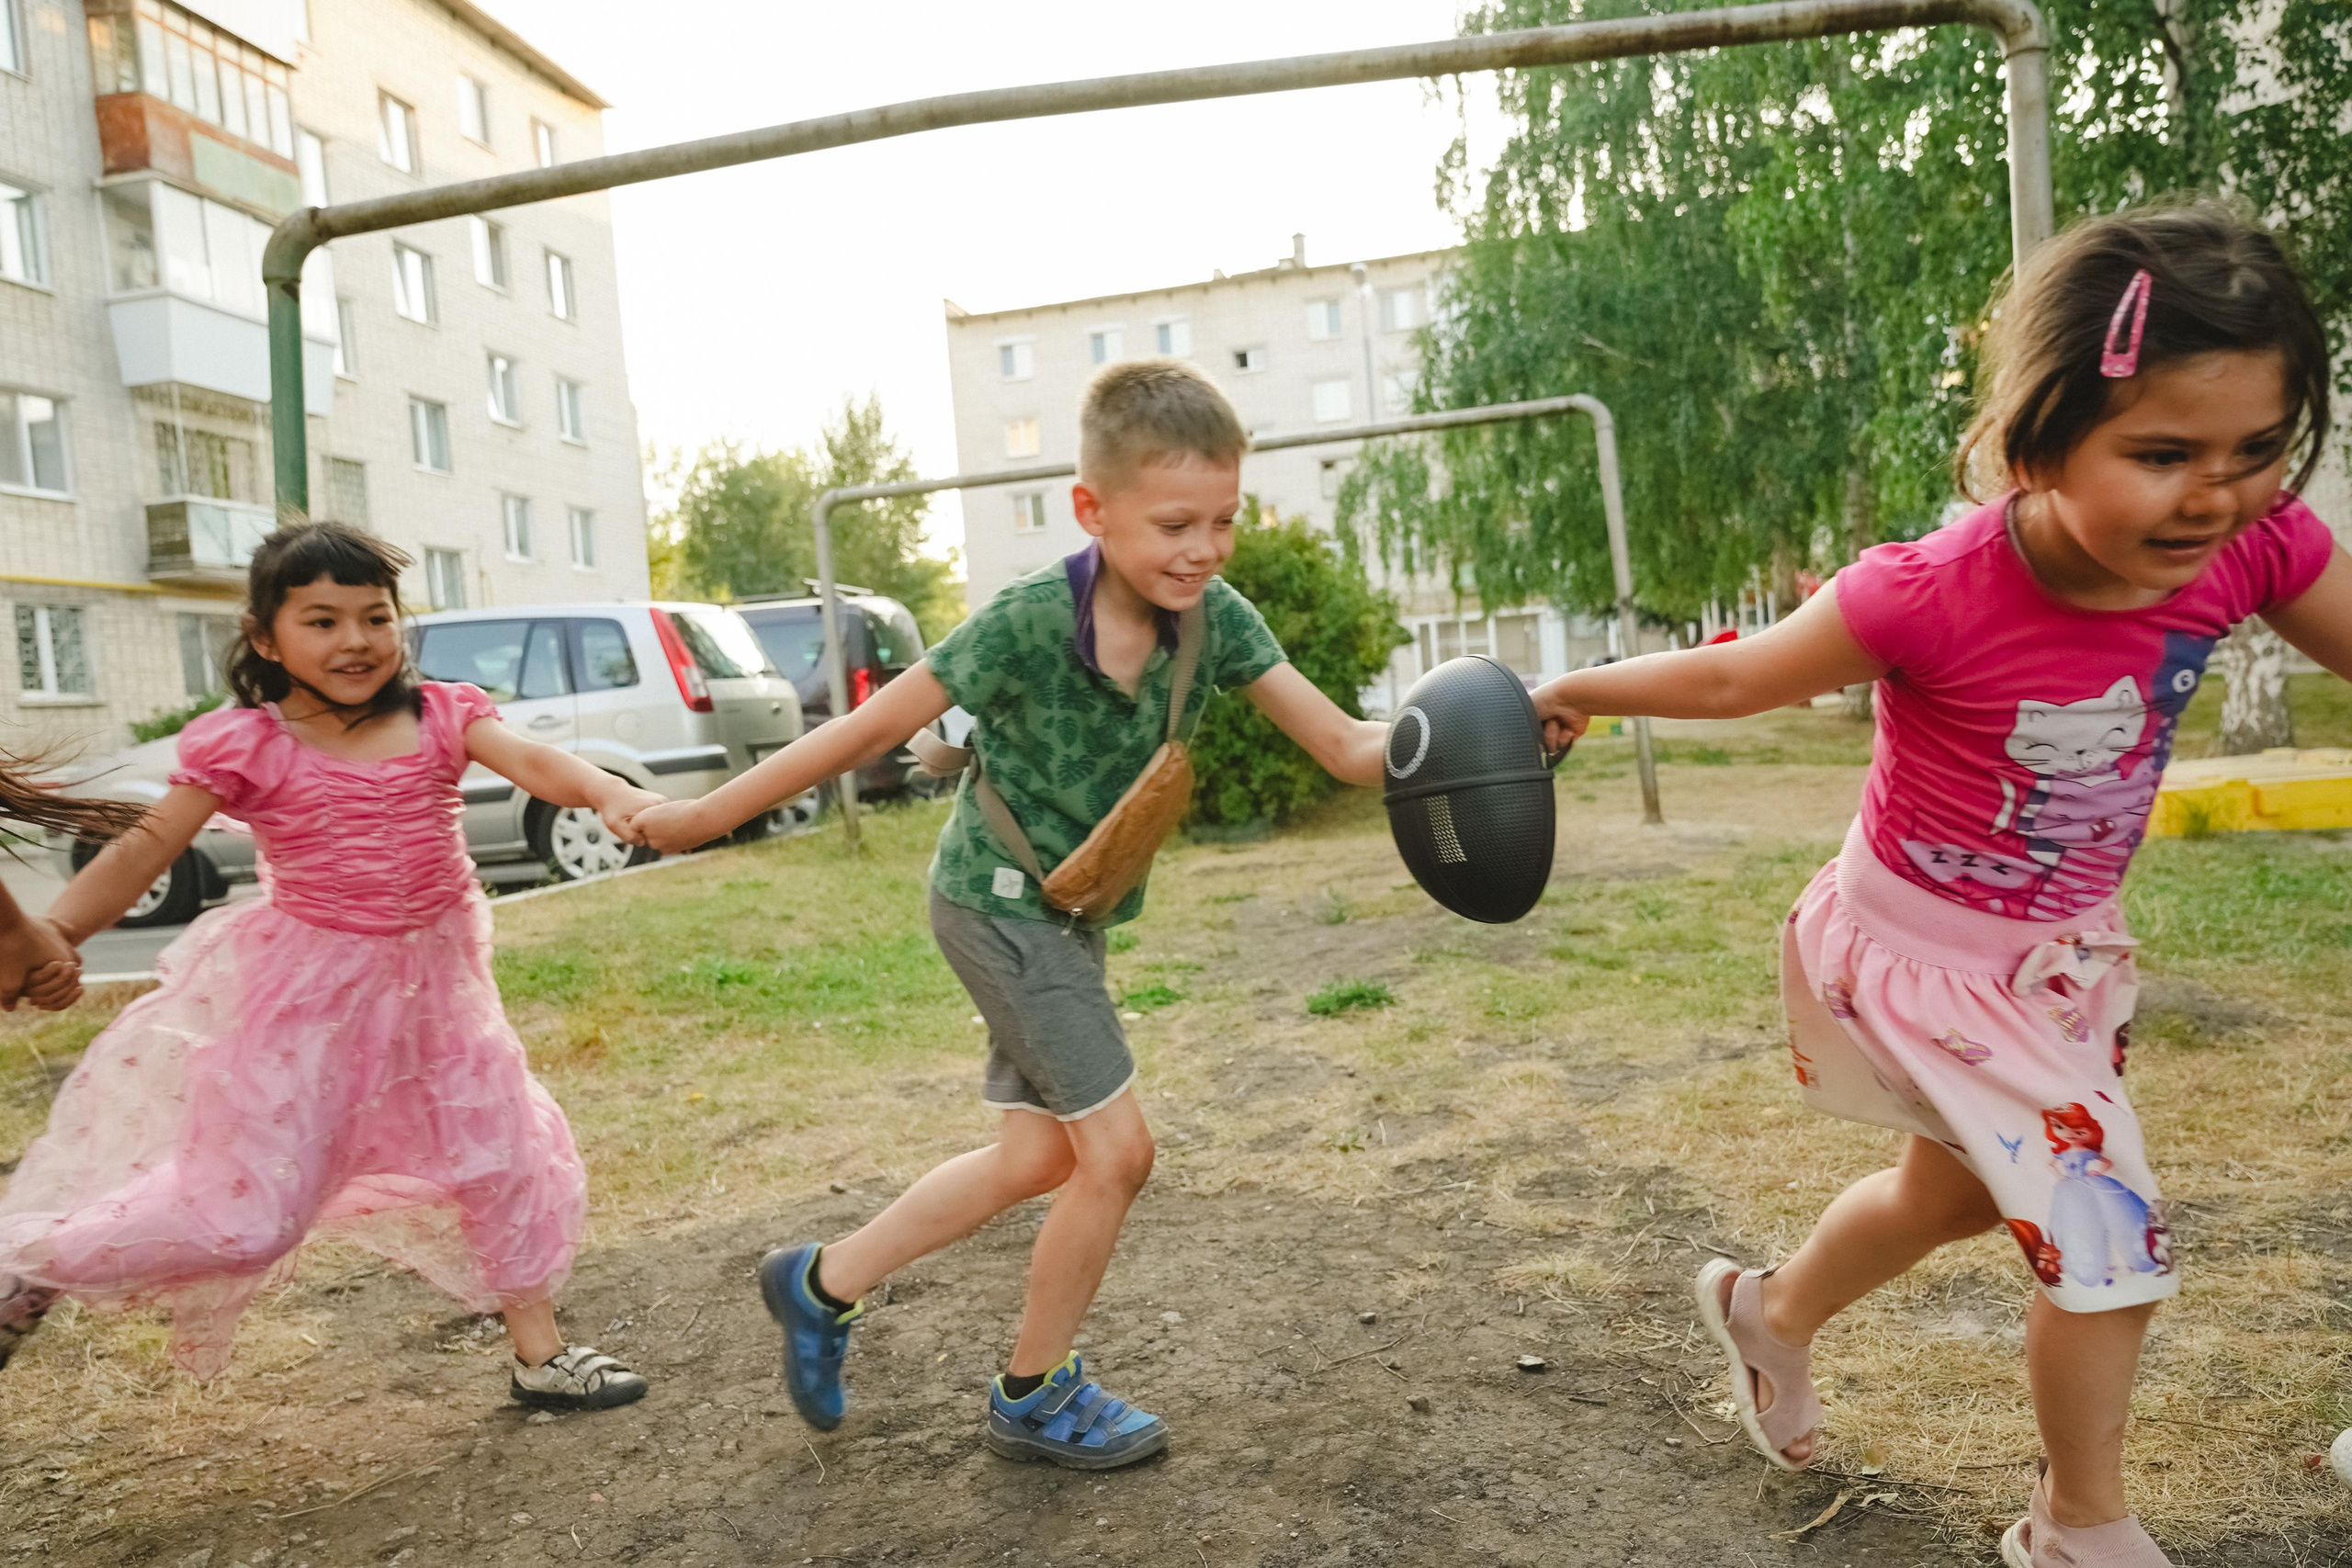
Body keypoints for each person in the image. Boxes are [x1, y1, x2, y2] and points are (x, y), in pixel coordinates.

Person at [1530, 201, 2352, 1567]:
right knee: (2106, 1239)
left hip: (2060, 956)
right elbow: (1742, 673)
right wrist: (1573, 691)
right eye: (2162, 453)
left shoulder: (2248, 553)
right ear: (2037, 444)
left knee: (1956, 1193)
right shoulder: (1932, 589)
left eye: (2256, 450)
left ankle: (1771, 1310)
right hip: (1923, 958)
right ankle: (2078, 1523)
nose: (2213, 492)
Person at [629, 359, 1390, 1469]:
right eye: (1175, 522)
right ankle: (1032, 1395)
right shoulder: (1031, 621)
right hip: (996, 904)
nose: (1205, 548)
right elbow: (862, 730)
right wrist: (702, 818)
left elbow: (1348, 746)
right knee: (1117, 1155)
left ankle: (818, 1282)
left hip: (1065, 910)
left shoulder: (1214, 619)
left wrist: (1503, 722)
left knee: (1038, 1159)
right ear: (1093, 510)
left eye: (1224, 520)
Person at [0, 520, 663, 1410]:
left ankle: (538, 1354)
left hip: (442, 999)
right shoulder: (248, 744)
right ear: (264, 637)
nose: (354, 640)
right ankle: (25, 1263)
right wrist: (53, 938)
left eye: (374, 617)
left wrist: (610, 790)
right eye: (321, 620)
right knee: (248, 1219)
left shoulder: (444, 716)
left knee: (502, 1156)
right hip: (306, 1007)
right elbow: (145, 850)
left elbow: (538, 762)